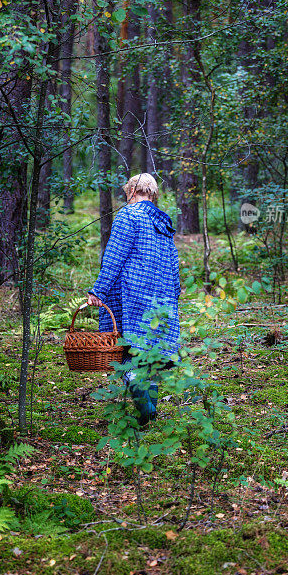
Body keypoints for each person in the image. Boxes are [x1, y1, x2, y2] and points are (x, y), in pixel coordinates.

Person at [87, 173, 180, 425]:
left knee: (128, 356)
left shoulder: (128, 216)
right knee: (150, 357)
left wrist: (98, 291)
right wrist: (174, 296)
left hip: (131, 296)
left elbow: (114, 257)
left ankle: (147, 410)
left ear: (131, 191)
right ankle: (147, 419)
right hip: (161, 299)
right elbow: (174, 266)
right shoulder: (164, 222)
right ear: (152, 193)